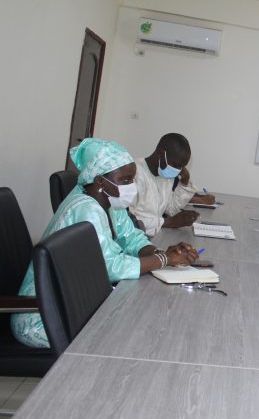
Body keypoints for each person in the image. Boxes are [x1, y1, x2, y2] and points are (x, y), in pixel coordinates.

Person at [12, 138, 199, 348]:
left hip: (73, 301)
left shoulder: (109, 202)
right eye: (125, 180)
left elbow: (131, 237)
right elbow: (110, 267)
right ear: (101, 181)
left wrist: (159, 252)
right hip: (42, 316)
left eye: (132, 179)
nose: (131, 187)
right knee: (134, 336)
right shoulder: (87, 209)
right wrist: (164, 259)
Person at [130, 133, 216, 236]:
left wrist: (185, 182)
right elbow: (127, 221)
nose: (178, 170)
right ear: (161, 153)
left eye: (182, 167)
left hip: (156, 235)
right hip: (135, 238)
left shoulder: (165, 174)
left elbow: (171, 209)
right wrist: (169, 222)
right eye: (176, 165)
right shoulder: (133, 173)